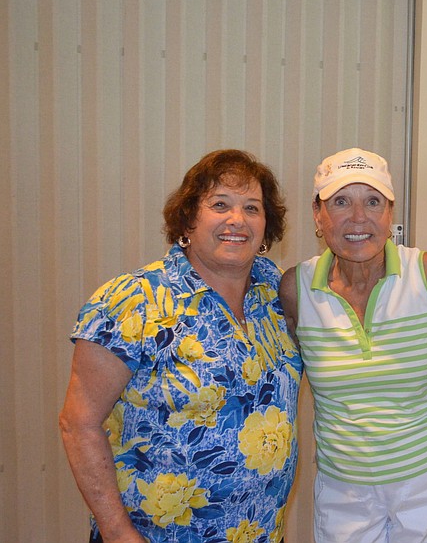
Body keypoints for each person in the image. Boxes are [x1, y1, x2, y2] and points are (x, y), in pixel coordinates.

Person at [59, 149, 302, 543]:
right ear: (189, 217)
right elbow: (78, 423)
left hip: (259, 531)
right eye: (220, 204)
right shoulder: (133, 300)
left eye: (252, 208)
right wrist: (118, 533)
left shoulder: (278, 292)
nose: (237, 220)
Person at [279, 147, 427, 543]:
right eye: (341, 202)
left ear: (390, 213)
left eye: (372, 202)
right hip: (344, 491)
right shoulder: (296, 288)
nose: (358, 218)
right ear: (317, 214)